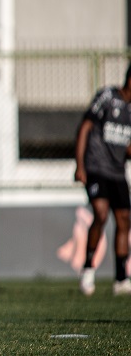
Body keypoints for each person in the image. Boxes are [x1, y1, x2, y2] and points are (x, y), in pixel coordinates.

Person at [73, 65, 131, 296]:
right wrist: (80, 165)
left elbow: (126, 148)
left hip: (117, 172)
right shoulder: (107, 96)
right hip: (96, 167)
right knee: (101, 214)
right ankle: (88, 269)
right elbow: (85, 127)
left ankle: (120, 278)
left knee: (124, 219)